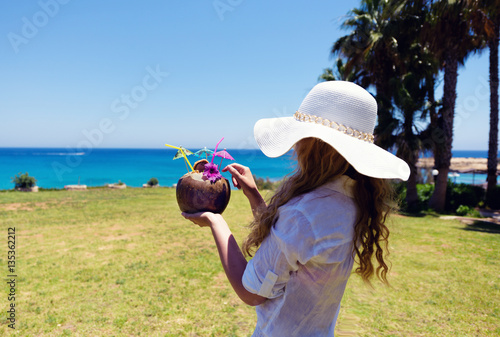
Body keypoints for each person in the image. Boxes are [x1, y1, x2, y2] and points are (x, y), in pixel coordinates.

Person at [182, 81, 410, 336]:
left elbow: (251, 293)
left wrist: (216, 222)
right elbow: (291, 244)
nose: (295, 146)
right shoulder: (350, 201)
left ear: (315, 146)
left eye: (301, 137)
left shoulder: (307, 213)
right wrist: (254, 195)